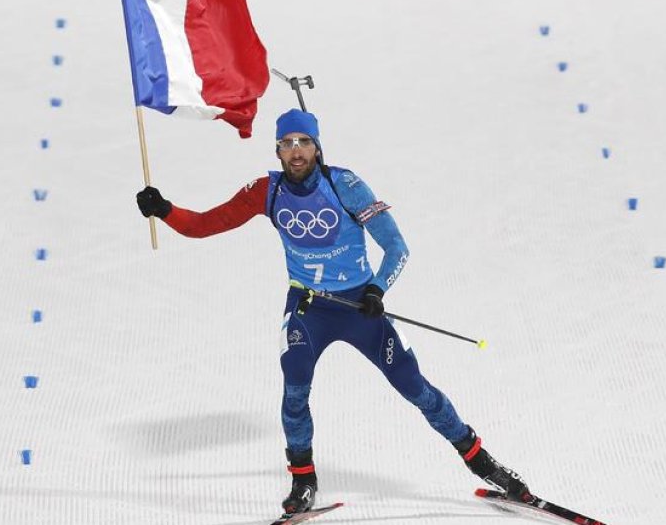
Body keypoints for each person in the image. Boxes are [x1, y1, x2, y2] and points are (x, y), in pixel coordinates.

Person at [135, 109, 531, 515]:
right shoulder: (265, 191)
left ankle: (481, 461)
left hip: (359, 306)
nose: (296, 151)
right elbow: (206, 224)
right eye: (287, 144)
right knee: (294, 388)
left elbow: (397, 247)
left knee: (415, 387)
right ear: (277, 150)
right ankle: (303, 478)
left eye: (303, 142)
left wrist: (377, 289)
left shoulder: (344, 185)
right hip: (309, 309)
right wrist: (164, 209)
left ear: (318, 147)